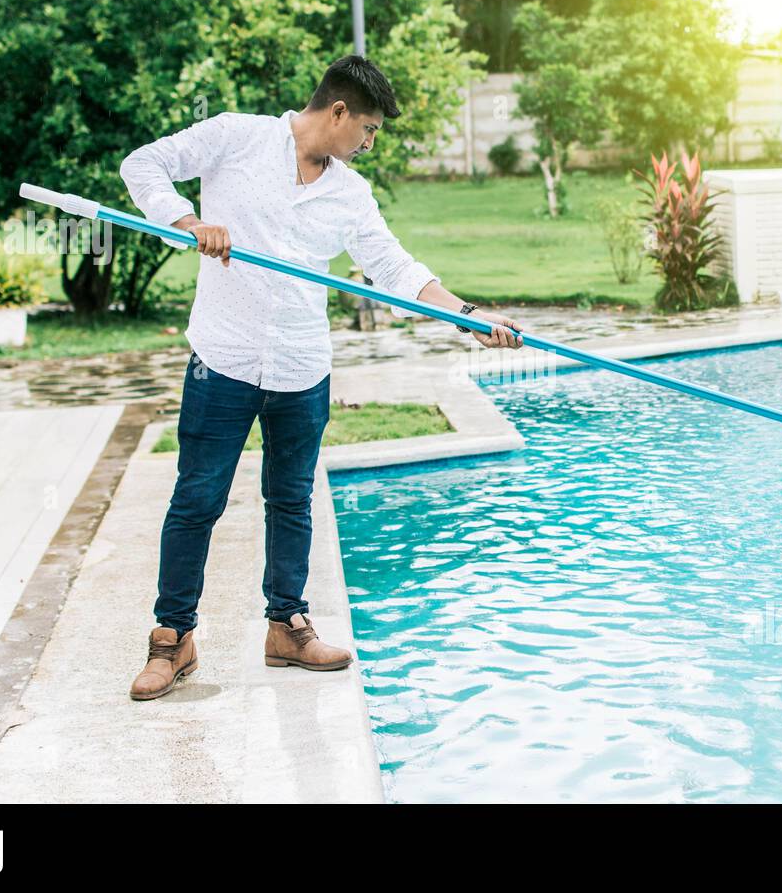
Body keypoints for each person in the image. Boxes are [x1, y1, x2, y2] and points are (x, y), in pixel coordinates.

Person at [120, 55, 524, 701]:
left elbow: (394, 269)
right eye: (367, 130)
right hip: (221, 359)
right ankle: (173, 639)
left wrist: (468, 317)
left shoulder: (349, 194)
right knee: (197, 499)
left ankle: (287, 624)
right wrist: (189, 223)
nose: (368, 144)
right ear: (337, 113)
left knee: (292, 498)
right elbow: (141, 165)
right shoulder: (235, 138)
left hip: (301, 367)